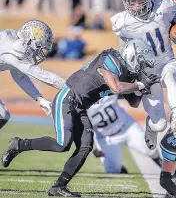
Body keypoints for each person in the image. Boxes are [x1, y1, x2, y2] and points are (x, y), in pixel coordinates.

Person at [2, 39, 160, 197]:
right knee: (62, 144)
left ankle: (58, 187)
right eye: (141, 61)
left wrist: (144, 88)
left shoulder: (125, 72)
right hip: (68, 99)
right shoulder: (111, 60)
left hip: (80, 106)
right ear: (132, 56)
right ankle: (19, 144)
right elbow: (116, 88)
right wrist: (140, 85)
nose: (142, 65)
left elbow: (133, 102)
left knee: (85, 146)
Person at [110, 0, 176, 150]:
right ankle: (153, 124)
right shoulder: (122, 22)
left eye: (140, 1)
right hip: (147, 73)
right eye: (131, 2)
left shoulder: (164, 7)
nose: (136, 6)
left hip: (166, 60)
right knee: (160, 125)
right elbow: (124, 49)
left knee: (171, 77)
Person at [0, 20, 66, 129]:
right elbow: (41, 75)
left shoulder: (16, 42)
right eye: (40, 46)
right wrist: (71, 87)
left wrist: (40, 99)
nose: (40, 51)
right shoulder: (14, 50)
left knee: (2, 115)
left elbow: (20, 76)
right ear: (31, 40)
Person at [88, 95, 162, 174]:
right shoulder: (84, 106)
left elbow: (121, 89)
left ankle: (167, 169)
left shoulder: (104, 89)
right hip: (106, 138)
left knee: (148, 148)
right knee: (113, 170)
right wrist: (93, 148)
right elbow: (85, 130)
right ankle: (119, 168)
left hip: (126, 126)